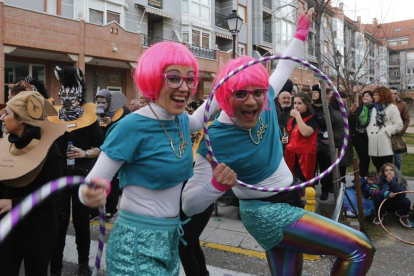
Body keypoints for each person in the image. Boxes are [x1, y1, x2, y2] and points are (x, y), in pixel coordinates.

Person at [183, 8, 374, 276]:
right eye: (240, 95)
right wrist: (216, 184)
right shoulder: (215, 139)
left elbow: (285, 63)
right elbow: (189, 204)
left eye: (258, 93)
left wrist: (301, 31)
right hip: (263, 211)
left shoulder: (266, 100)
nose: (252, 102)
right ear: (225, 98)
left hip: (292, 194)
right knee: (360, 249)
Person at [77, 41, 218, 275]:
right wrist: (91, 193)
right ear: (153, 78)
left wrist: (226, 87)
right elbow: (90, 185)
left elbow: (201, 116)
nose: (184, 87)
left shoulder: (180, 120)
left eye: (190, 79)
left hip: (171, 236)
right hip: (135, 244)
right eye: (174, 78)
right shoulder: (131, 126)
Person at [0, 91, 66, 276]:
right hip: (9, 225)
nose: (2, 117)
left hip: (39, 226)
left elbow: (54, 193)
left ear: (21, 119)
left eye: (7, 113)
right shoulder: (5, 146)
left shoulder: (49, 150)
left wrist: (13, 203)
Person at [49, 67, 104, 276]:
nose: (66, 95)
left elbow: (103, 147)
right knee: (59, 223)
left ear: (79, 93)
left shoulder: (89, 117)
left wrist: (84, 153)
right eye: (63, 90)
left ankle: (83, 264)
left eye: (72, 91)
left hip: (82, 176)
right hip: (60, 177)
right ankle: (55, 265)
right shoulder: (54, 117)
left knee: (81, 222)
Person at [93, 89, 131, 221]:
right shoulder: (96, 111)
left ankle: (111, 209)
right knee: (97, 180)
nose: (101, 104)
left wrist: (112, 123)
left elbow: (127, 128)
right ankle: (95, 209)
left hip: (116, 149)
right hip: (99, 148)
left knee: (113, 181)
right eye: (98, 102)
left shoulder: (123, 111)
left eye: (103, 102)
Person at [283, 92, 319, 182]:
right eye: (294, 103)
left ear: (307, 105)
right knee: (291, 180)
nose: (296, 106)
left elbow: (305, 132)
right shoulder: (291, 119)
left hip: (304, 156)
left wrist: (298, 117)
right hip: (290, 154)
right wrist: (284, 139)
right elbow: (288, 134)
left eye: (299, 103)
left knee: (303, 181)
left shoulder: (312, 119)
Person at [311, 84, 338, 200]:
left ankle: (325, 190)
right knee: (311, 167)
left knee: (324, 167)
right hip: (311, 141)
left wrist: (316, 121)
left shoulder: (327, 108)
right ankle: (310, 189)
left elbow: (329, 122)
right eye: (312, 92)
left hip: (324, 143)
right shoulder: (310, 107)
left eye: (316, 92)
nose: (313, 94)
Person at [367, 87, 403, 172]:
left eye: (376, 94)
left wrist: (385, 131)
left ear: (382, 95)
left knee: (387, 169)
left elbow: (399, 125)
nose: (373, 97)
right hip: (373, 142)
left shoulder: (392, 108)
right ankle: (380, 184)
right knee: (377, 167)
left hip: (385, 142)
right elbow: (371, 124)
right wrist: (369, 131)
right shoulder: (374, 108)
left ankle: (387, 184)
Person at [372, 163, 412, 228]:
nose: (389, 172)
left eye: (391, 170)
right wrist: (385, 193)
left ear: (395, 171)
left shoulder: (400, 179)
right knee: (377, 198)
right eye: (386, 170)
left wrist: (391, 182)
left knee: (406, 201)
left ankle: (403, 217)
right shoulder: (378, 179)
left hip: (396, 203)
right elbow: (372, 191)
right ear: (383, 172)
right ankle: (379, 215)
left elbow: (402, 194)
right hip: (384, 203)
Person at [349, 91, 374, 177]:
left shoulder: (374, 109)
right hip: (360, 136)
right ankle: (363, 176)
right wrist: (352, 113)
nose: (364, 97)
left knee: (373, 158)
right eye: (364, 96)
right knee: (364, 158)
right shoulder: (359, 108)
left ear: (372, 98)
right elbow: (353, 122)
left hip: (372, 136)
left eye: (367, 96)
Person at [330, 92, 353, 182]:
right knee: (335, 163)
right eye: (342, 97)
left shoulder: (346, 110)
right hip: (335, 140)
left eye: (345, 98)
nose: (344, 100)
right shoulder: (331, 110)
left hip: (346, 140)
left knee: (343, 163)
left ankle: (342, 181)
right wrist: (334, 136)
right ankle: (334, 182)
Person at [389, 86, 410, 171]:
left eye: (395, 93)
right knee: (386, 158)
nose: (393, 95)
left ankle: (398, 177)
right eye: (391, 93)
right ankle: (386, 177)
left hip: (396, 135)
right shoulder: (383, 103)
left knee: (398, 159)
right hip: (385, 133)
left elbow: (406, 119)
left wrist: (401, 131)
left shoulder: (402, 104)